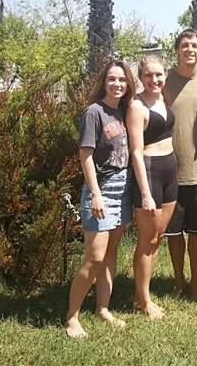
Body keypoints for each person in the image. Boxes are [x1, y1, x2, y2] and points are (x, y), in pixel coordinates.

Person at [64, 60, 135, 338]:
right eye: (112, 79)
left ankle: (102, 308)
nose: (117, 84)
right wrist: (95, 194)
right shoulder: (94, 112)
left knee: (110, 253)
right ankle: (72, 317)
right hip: (102, 188)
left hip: (123, 187)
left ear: (128, 84)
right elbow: (86, 155)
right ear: (103, 82)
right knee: (94, 257)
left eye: (122, 80)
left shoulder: (125, 111)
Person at [163, 29, 197, 301]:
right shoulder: (164, 79)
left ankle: (196, 284)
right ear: (177, 50)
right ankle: (179, 281)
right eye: (185, 45)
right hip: (168, 170)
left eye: (195, 46)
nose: (190, 50)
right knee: (174, 232)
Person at [126, 54, 178, 320]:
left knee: (157, 238)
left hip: (170, 170)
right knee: (147, 240)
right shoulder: (137, 106)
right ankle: (144, 301)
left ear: (165, 75)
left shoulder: (162, 100)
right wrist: (145, 192)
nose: (154, 79)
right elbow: (135, 152)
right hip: (149, 172)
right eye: (148, 75)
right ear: (140, 77)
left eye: (158, 74)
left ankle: (140, 294)